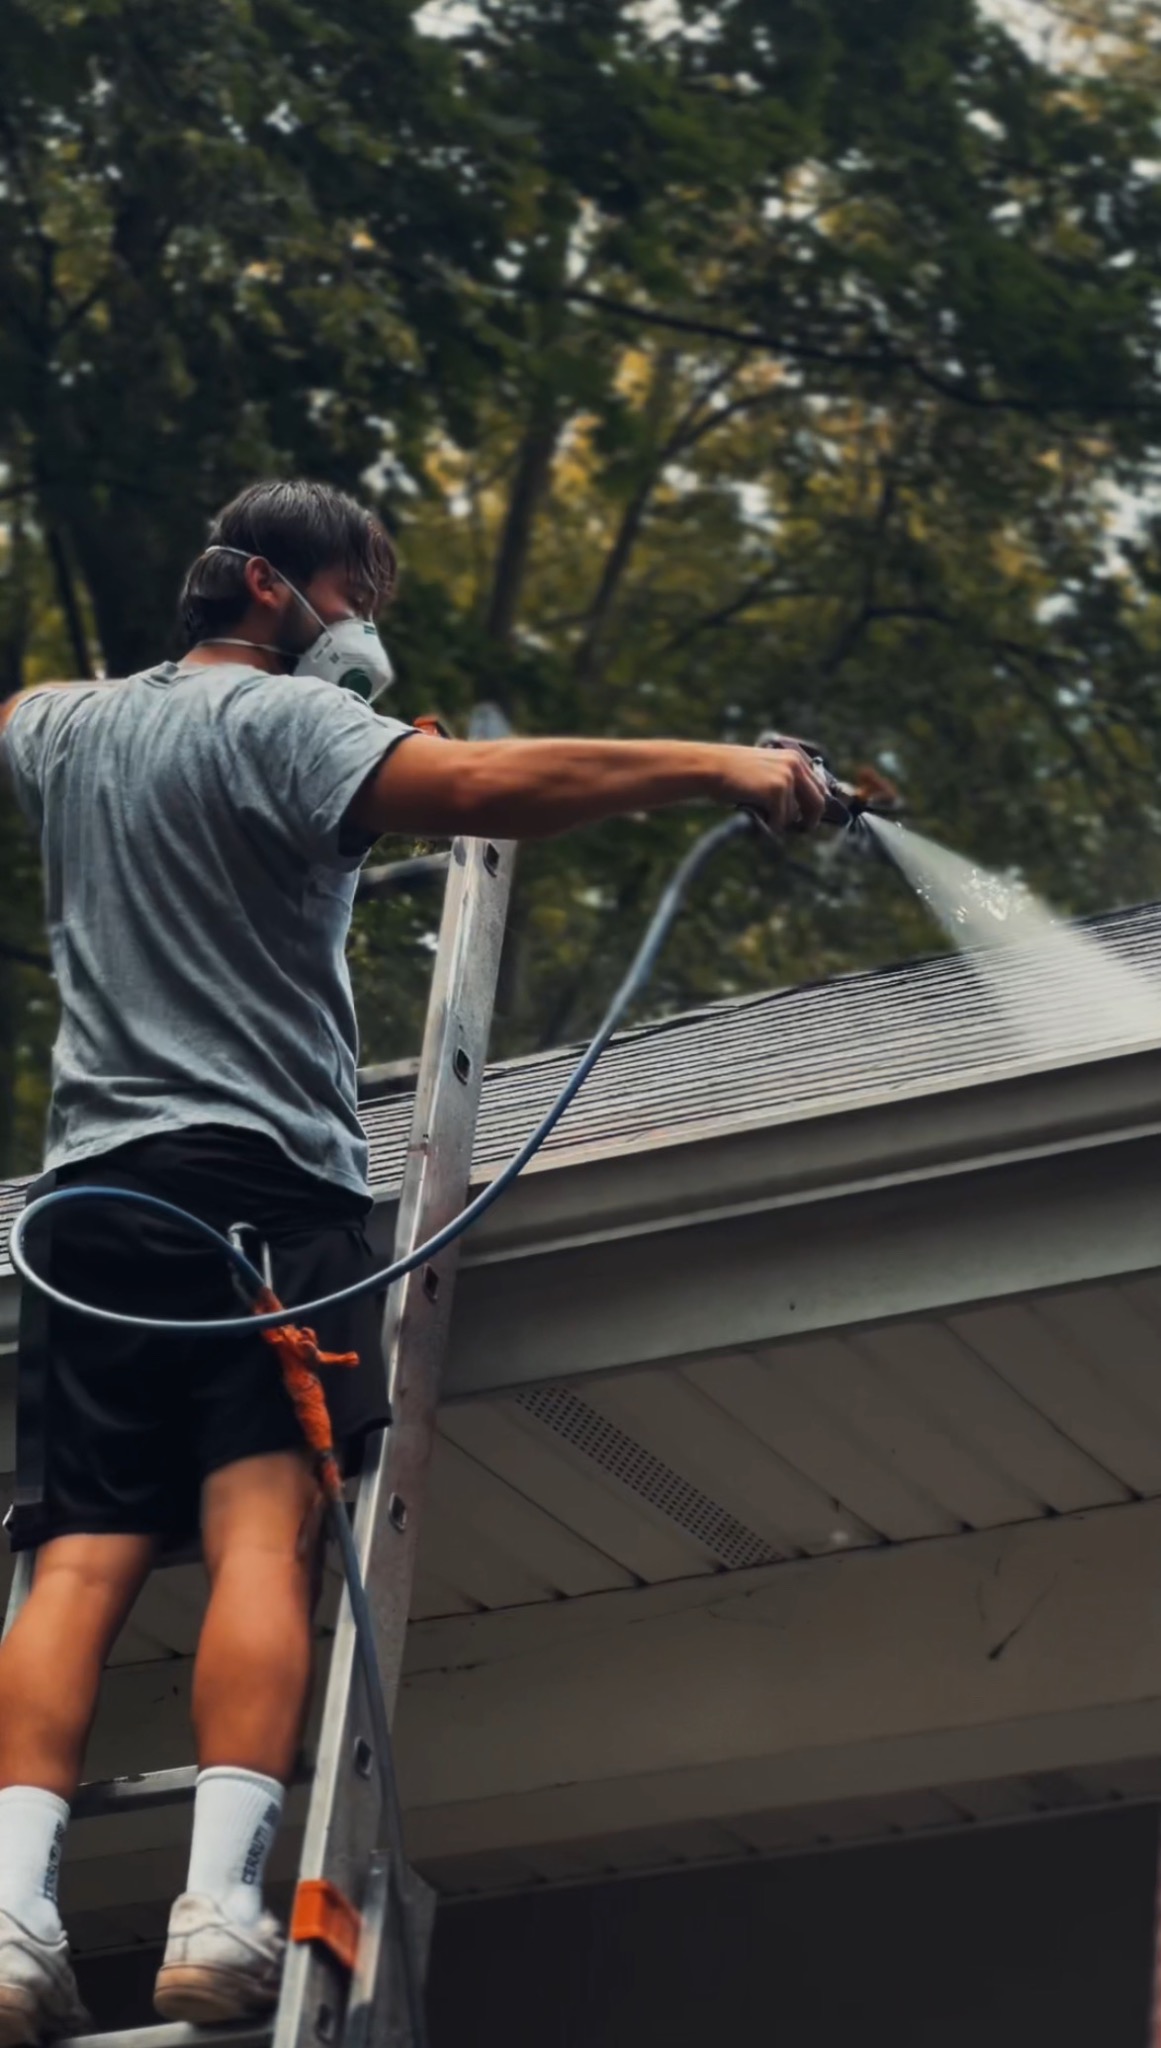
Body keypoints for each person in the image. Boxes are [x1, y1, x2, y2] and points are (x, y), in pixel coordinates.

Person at [0, 478, 824, 2042]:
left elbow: (31, 711)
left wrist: (355, 747)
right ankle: (218, 1911)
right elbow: (498, 790)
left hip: (92, 1211)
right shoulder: (289, 732)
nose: (364, 626)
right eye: (352, 592)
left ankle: (9, 1928)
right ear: (262, 586)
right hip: (255, 1187)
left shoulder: (63, 728)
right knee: (261, 1538)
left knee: (78, 1557)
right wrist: (724, 763)